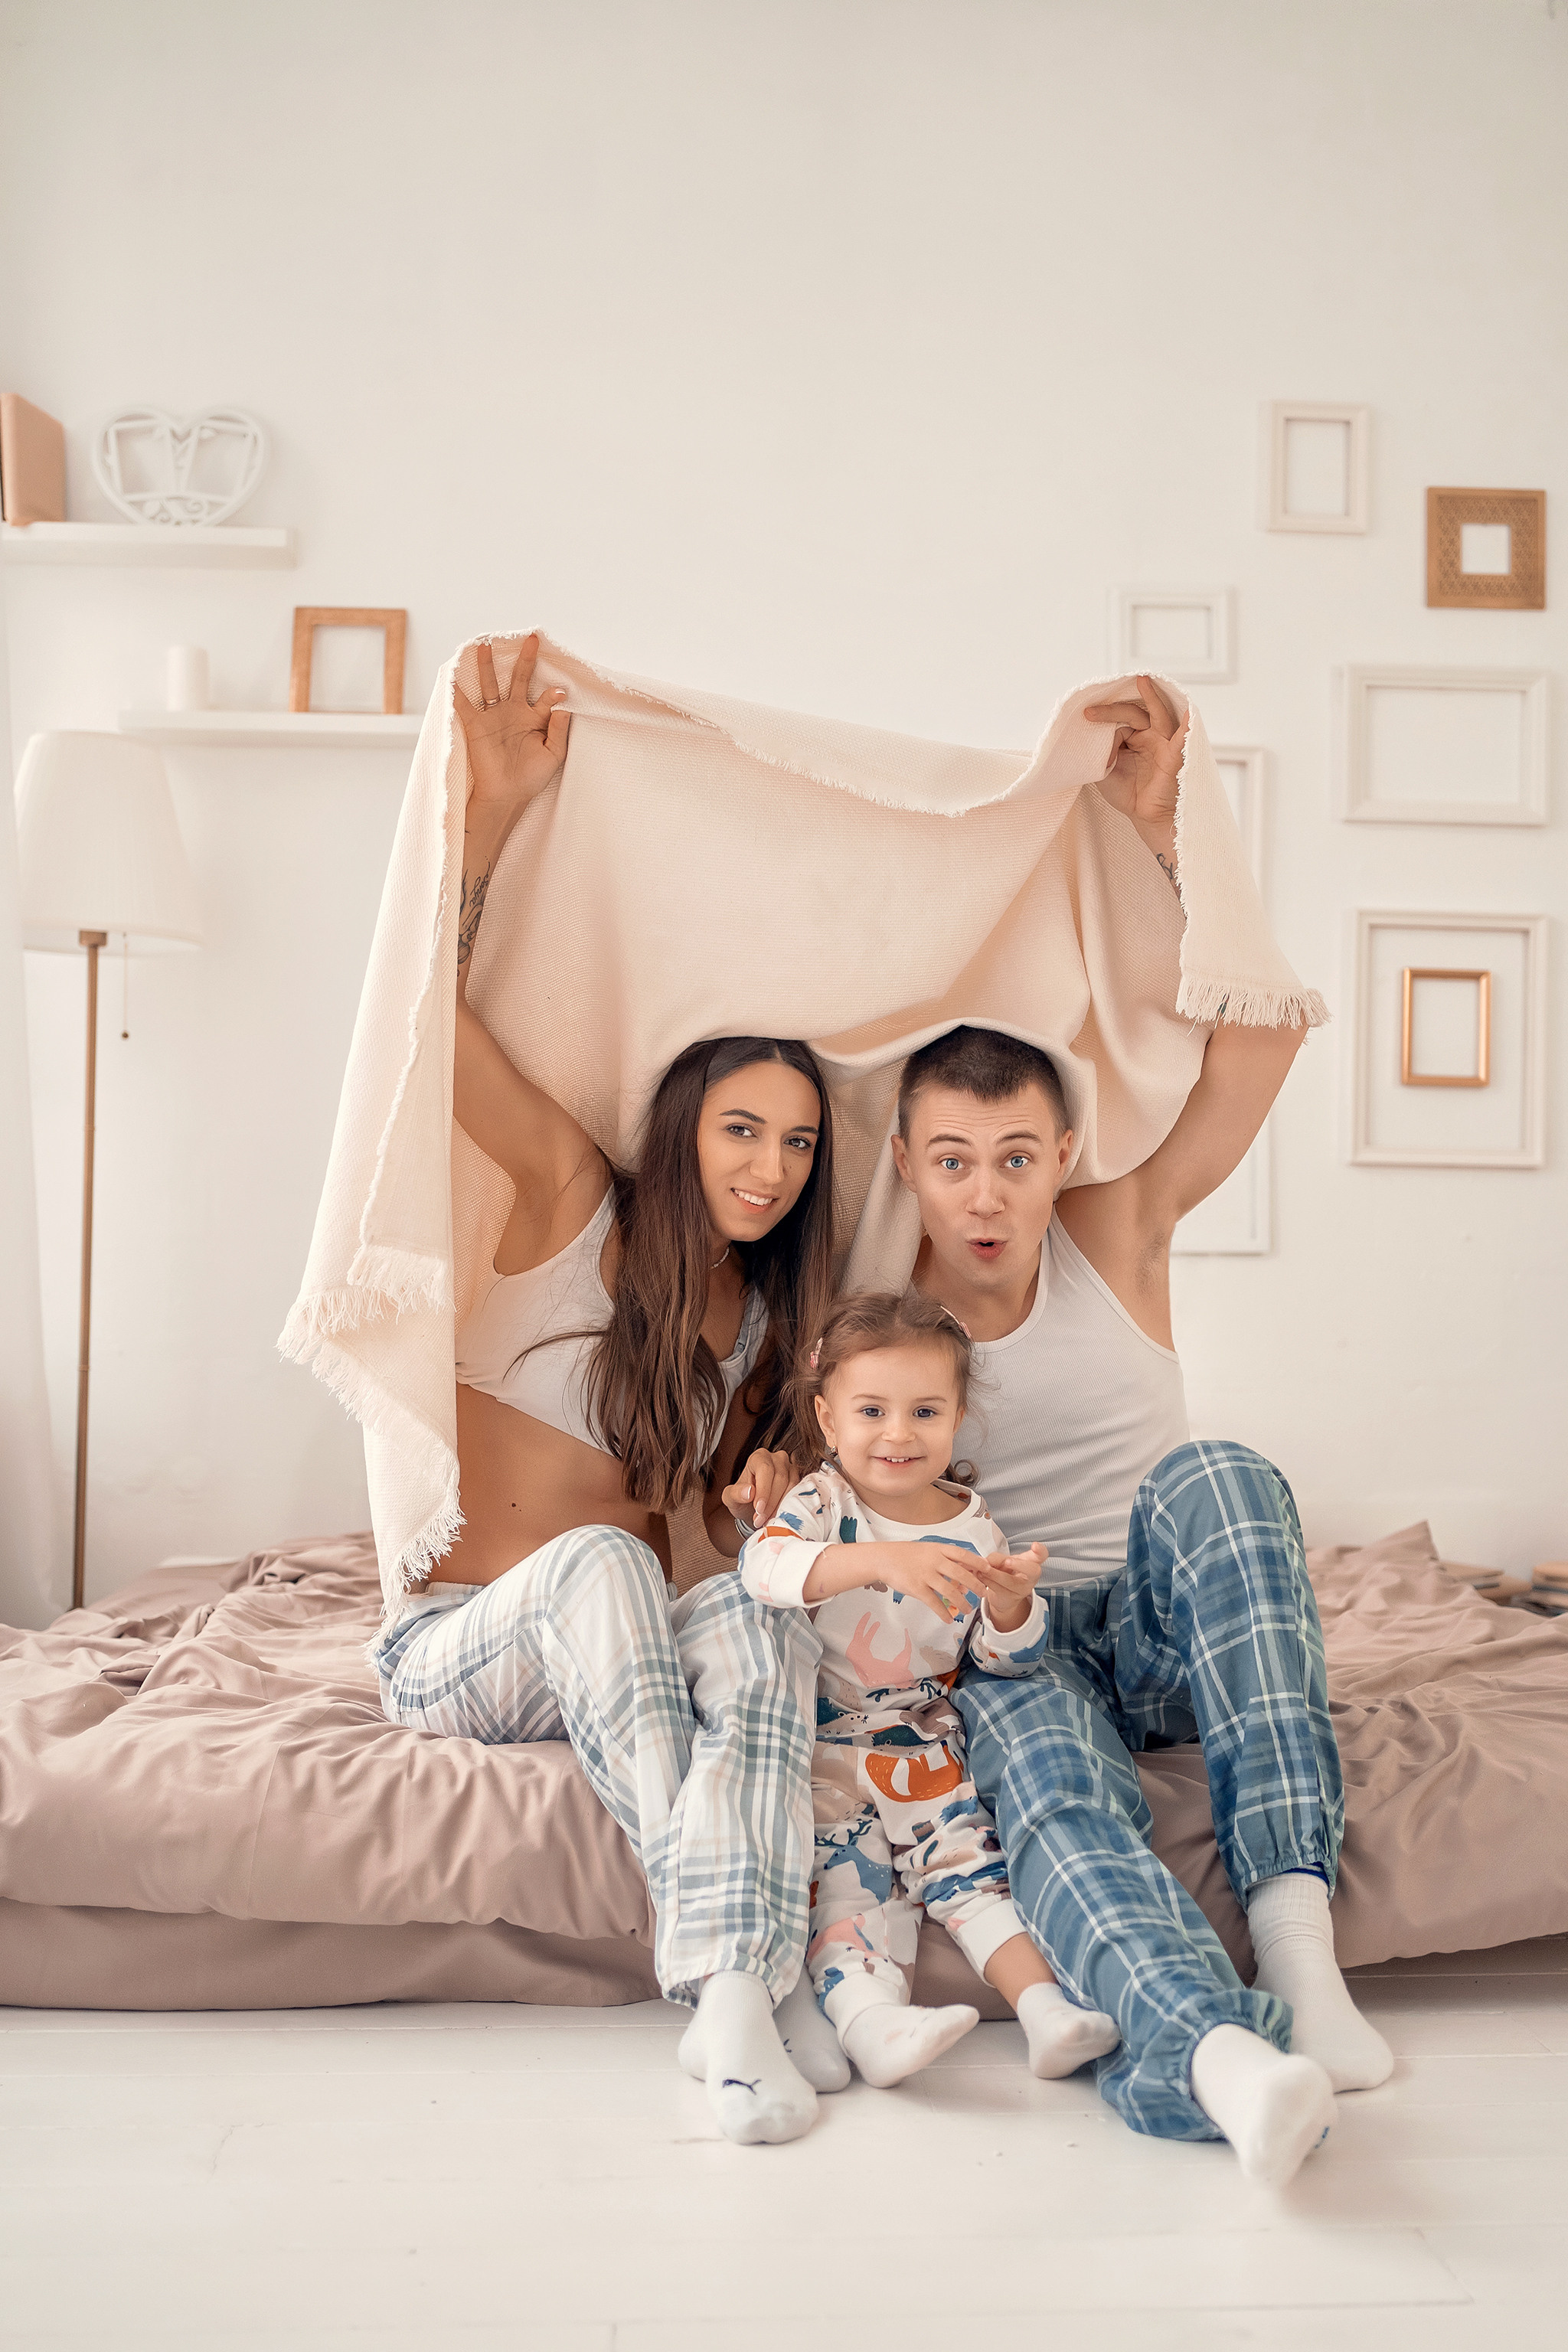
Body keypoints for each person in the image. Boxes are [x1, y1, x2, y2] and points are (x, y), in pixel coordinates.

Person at [751, 679, 1392, 2186]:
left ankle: (1298, 1947)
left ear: (1062, 1160)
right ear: (906, 1161)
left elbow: (1264, 1043)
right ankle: (1220, 2065)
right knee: (1035, 1781)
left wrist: (1166, 823)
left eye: (1018, 1159)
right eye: (956, 1161)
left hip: (1166, 1626)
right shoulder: (866, 1322)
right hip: (1011, 1645)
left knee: (1223, 1474)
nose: (986, 1195)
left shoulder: (1123, 1225)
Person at [376, 637, 834, 2147]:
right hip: (464, 1645)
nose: (770, 1167)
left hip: (616, 1654)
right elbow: (418, 1021)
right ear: (688, 1129)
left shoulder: (765, 1338)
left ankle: (734, 2006)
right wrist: (490, 823)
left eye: (800, 1145)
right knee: (587, 1564)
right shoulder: (577, 1200)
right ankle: (743, 1980)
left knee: (757, 1626)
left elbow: (700, 1557)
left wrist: (764, 1504)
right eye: (744, 1130)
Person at [738, 1291, 1122, 2089]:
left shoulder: (973, 1529)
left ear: (955, 1420)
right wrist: (880, 1562)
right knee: (848, 1889)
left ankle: (1045, 2012)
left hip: (922, 1742)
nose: (897, 1434)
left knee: (972, 1873)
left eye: (923, 1411)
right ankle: (871, 2025)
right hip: (825, 1751)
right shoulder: (822, 1505)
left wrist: (1012, 1606)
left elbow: (994, 1658)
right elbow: (762, 1569)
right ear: (826, 1420)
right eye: (871, 1410)